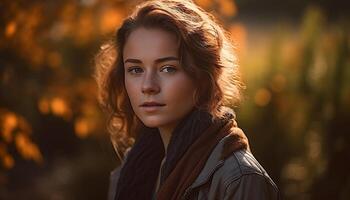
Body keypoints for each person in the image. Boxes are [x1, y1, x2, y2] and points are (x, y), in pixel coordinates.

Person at [94, 0, 280, 199]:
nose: (148, 86)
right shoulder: (131, 171)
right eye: (136, 70)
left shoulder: (239, 179)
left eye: (167, 68)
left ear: (202, 75)